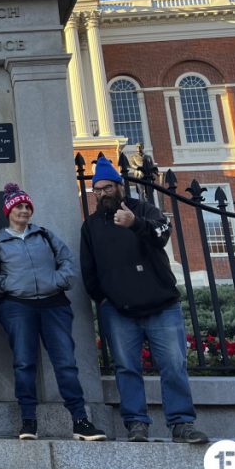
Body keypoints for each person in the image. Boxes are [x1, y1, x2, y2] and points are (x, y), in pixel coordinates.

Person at [81, 156, 208, 444]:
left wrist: (135, 223)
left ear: (119, 187)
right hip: (119, 310)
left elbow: (162, 234)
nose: (102, 193)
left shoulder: (144, 210)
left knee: (173, 365)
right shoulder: (91, 226)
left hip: (162, 305)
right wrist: (104, 300)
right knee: (127, 368)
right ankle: (136, 424)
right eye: (97, 189)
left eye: (107, 187)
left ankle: (181, 423)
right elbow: (88, 270)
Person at [0, 183, 105, 441]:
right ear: (8, 211)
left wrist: (58, 281)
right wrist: (9, 285)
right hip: (17, 307)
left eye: (27, 206)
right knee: (24, 363)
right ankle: (28, 421)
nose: (24, 211)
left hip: (54, 305)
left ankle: (80, 421)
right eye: (18, 207)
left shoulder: (45, 235)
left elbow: (67, 260)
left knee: (65, 363)